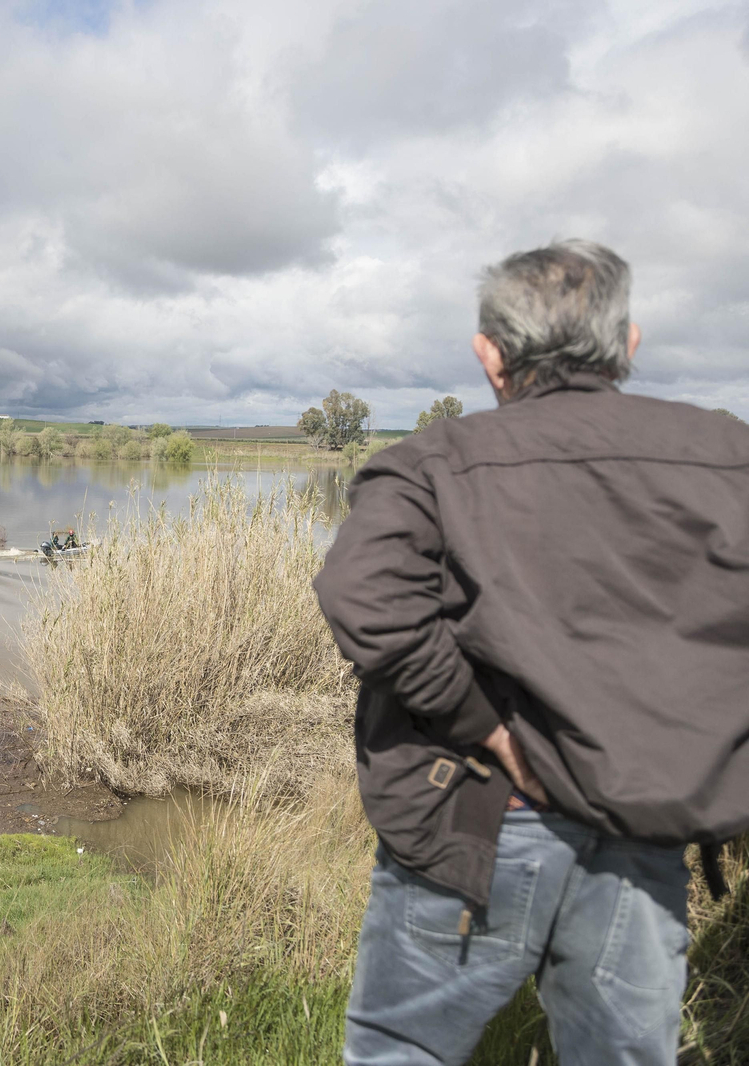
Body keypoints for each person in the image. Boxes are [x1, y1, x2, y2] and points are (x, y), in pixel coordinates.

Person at [313, 239, 749, 1066]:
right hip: (646, 818)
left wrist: (486, 727)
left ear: (490, 354)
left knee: (405, 1049)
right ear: (628, 344)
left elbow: (362, 595)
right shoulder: (728, 459)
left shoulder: (434, 464)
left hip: (481, 813)